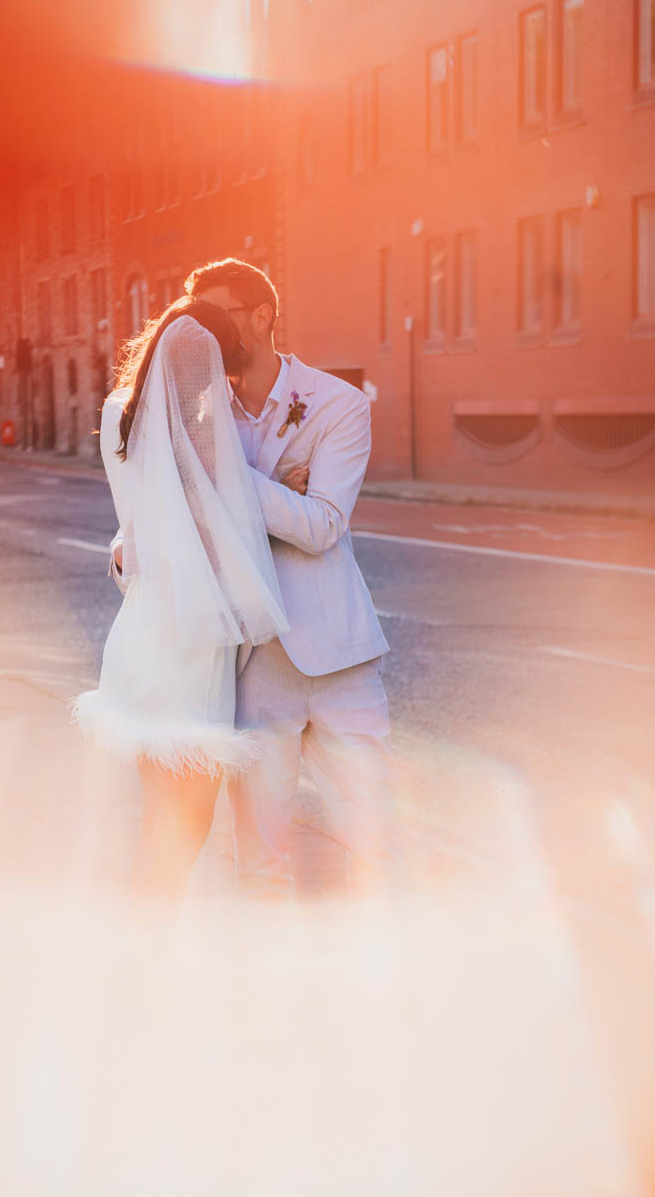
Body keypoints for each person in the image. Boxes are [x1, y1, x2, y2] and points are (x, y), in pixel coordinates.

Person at [111, 260, 399, 898]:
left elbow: (323, 525)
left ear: (262, 317)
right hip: (247, 671)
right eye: (197, 320)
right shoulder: (192, 410)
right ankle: (266, 988)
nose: (207, 335)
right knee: (260, 860)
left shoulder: (336, 403)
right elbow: (162, 511)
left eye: (220, 317)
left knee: (376, 836)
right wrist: (130, 547)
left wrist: (231, 488)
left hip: (338, 660)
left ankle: (388, 976)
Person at [73, 297, 288, 900]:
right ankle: (146, 938)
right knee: (191, 815)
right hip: (192, 641)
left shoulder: (122, 414)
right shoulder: (194, 431)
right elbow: (228, 528)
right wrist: (275, 490)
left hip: (143, 629)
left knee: (159, 815)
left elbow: (138, 534)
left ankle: (142, 936)